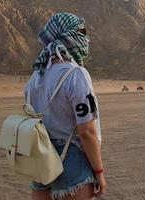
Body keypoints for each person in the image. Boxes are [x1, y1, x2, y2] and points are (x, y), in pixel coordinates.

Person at [24, 12, 107, 200]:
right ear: (66, 35)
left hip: (41, 157)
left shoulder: (36, 76)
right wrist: (99, 172)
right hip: (70, 160)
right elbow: (86, 131)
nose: (85, 36)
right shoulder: (76, 74)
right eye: (81, 31)